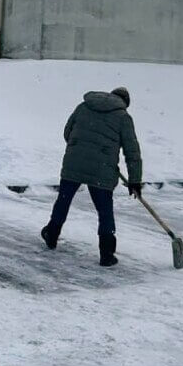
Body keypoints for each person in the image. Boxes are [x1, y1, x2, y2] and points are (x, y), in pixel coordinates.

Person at [41, 87, 143, 266]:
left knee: (63, 200)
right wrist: (135, 180)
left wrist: (80, 147)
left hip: (74, 162)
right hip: (101, 169)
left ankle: (52, 233)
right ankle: (106, 253)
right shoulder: (123, 117)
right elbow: (132, 151)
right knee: (104, 210)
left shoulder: (84, 106)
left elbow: (67, 131)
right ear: (125, 103)